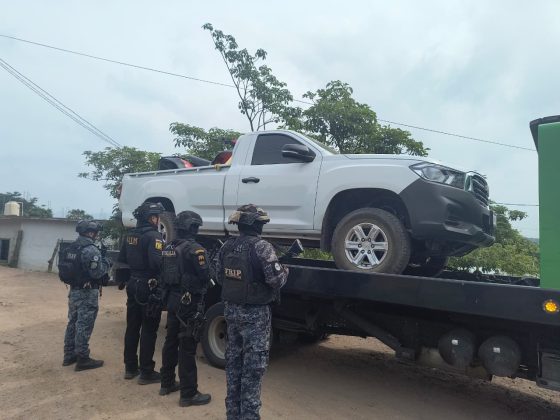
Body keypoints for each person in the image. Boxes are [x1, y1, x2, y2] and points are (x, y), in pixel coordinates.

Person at [216, 204, 289, 420]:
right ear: (256, 225)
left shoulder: (226, 246)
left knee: (234, 367)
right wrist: (285, 271)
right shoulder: (262, 247)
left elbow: (220, 277)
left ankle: (232, 415)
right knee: (253, 372)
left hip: (231, 312)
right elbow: (276, 281)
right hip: (255, 317)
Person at [159, 211, 212, 407]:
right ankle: (188, 394)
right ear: (193, 227)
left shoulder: (169, 247)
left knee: (171, 340)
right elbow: (206, 275)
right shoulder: (195, 249)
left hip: (172, 300)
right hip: (188, 302)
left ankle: (166, 383)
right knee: (187, 346)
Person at [118, 201, 165, 384]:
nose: (158, 220)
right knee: (149, 329)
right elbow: (156, 263)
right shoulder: (154, 236)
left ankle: (130, 368)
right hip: (148, 287)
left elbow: (121, 260)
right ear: (151, 218)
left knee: (132, 327)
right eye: (157, 217)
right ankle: (146, 371)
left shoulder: (130, 235)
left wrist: (124, 280)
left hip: (132, 284)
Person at [62, 220, 110, 371]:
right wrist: (107, 263)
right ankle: (83, 358)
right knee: (84, 325)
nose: (96, 235)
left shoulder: (72, 247)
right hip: (87, 293)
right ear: (90, 233)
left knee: (72, 322)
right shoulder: (91, 250)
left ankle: (69, 354)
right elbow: (97, 273)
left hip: (74, 291)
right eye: (95, 233)